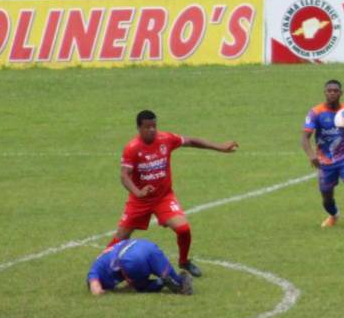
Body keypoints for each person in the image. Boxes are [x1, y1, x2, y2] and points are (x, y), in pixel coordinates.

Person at [109, 110, 238, 279]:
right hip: (139, 201)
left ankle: (184, 262)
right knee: (121, 236)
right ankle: (105, 267)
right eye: (147, 127)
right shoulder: (132, 148)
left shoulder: (166, 139)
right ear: (139, 128)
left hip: (163, 198)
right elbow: (124, 175)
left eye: (154, 126)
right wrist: (138, 192)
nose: (152, 130)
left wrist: (219, 147)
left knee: (183, 229)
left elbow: (191, 140)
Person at [303, 79, 344, 228]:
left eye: (335, 91)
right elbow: (305, 138)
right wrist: (311, 155)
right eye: (329, 91)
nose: (332, 93)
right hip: (325, 162)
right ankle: (334, 215)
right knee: (327, 197)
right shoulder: (316, 112)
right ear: (325, 92)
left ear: (341, 93)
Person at [86, 238, 191, 296]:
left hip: (130, 258)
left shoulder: (94, 272)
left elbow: (96, 289)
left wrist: (99, 292)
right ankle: (179, 280)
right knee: (177, 285)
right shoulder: (102, 259)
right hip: (147, 246)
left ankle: (161, 281)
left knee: (141, 287)